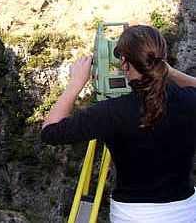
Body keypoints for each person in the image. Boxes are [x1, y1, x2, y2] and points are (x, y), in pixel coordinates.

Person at [41, 25, 196, 222]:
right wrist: (171, 73)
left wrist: (75, 84)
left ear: (123, 62)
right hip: (185, 211)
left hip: (134, 216)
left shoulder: (112, 112)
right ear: (162, 59)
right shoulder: (189, 101)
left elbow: (50, 131)